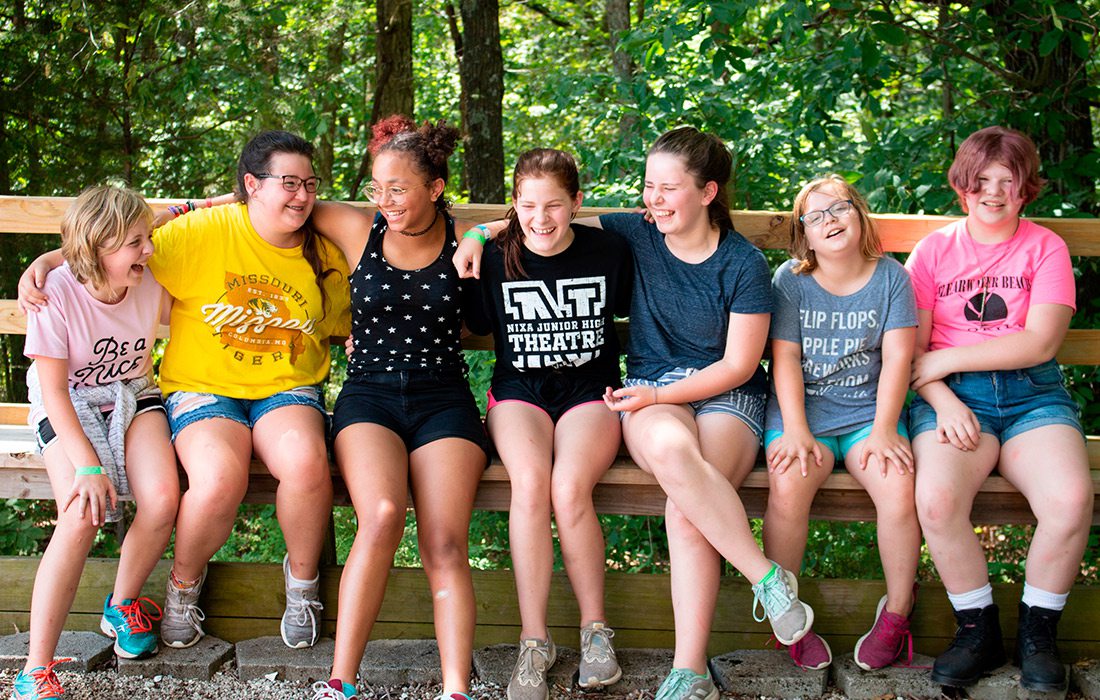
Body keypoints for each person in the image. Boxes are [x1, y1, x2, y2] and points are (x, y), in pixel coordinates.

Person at [455, 126, 814, 700]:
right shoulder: (638, 231)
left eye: (669, 189)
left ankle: (691, 667)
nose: (654, 200)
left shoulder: (742, 264)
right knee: (674, 455)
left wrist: (656, 398)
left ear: (707, 191)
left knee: (686, 505)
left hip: (724, 393)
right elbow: (543, 218)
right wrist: (478, 230)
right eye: (649, 187)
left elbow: (740, 366)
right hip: (647, 388)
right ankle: (767, 578)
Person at [18, 131, 351, 653]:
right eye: (289, 182)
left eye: (310, 184)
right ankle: (179, 589)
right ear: (251, 185)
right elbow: (108, 246)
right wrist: (47, 261)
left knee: (306, 463)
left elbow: (362, 306)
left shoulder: (322, 251)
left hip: (278, 389)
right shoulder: (190, 238)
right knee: (215, 478)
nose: (303, 195)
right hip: (192, 389)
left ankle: (302, 587)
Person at [306, 116, 488, 700]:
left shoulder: (463, 239)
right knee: (382, 514)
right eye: (377, 189)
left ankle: (456, 689)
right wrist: (178, 212)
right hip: (369, 396)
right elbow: (267, 199)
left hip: (443, 400)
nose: (385, 202)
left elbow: (537, 213)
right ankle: (340, 680)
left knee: (443, 542)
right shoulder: (360, 229)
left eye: (399, 190)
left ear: (435, 188)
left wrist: (484, 236)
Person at [906, 126, 1092, 692]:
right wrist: (941, 394)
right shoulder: (934, 251)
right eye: (981, 180)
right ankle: (976, 632)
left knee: (1070, 498)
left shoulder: (1045, 247)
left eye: (1006, 181)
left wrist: (943, 361)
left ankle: (1038, 637)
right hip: (956, 399)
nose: (993, 192)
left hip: (1032, 395)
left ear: (1024, 189)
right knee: (936, 499)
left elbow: (1040, 343)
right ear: (963, 186)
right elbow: (913, 354)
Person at [464, 149, 632, 700]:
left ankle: (595, 631)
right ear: (514, 205)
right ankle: (534, 641)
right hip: (520, 394)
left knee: (569, 487)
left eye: (554, 205)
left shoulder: (608, 250)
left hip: (591, 391)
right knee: (531, 485)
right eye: (528, 205)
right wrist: (478, 236)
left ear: (576, 203)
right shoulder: (496, 257)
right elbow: (478, 319)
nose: (541, 218)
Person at [13, 186, 179, 700]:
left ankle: (121, 604)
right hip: (67, 400)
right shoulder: (53, 295)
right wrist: (87, 468)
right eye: (135, 243)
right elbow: (54, 392)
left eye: (147, 237)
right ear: (98, 247)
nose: (149, 250)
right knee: (79, 512)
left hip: (133, 393)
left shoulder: (149, 274)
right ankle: (35, 669)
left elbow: (212, 204)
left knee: (163, 499)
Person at [762, 175, 920, 671]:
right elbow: (784, 358)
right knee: (789, 482)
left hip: (866, 416)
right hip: (799, 415)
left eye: (840, 209)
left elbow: (898, 360)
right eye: (816, 216)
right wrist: (796, 428)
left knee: (898, 486)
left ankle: (897, 613)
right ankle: (785, 614)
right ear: (803, 234)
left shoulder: (891, 278)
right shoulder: (791, 280)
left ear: (860, 213)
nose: (830, 221)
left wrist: (885, 428)